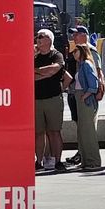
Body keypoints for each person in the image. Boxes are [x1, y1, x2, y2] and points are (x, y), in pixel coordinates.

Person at [34, 29, 68, 171]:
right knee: (38, 133)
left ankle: (58, 161)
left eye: (41, 36)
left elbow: (55, 69)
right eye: (37, 36)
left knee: (54, 131)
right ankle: (39, 161)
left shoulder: (56, 55)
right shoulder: (33, 57)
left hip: (53, 98)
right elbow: (29, 75)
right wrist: (45, 73)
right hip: (36, 99)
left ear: (49, 39)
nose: (38, 39)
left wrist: (37, 71)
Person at [73, 43, 105, 170]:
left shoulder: (86, 64)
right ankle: (86, 161)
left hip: (85, 100)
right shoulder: (81, 65)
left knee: (88, 132)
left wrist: (85, 96)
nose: (73, 53)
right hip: (80, 97)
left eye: (76, 51)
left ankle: (93, 161)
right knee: (82, 131)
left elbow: (93, 84)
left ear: (82, 51)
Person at [63, 26, 92, 167]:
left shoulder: (89, 51)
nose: (74, 37)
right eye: (73, 35)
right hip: (73, 92)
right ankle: (81, 153)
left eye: (77, 34)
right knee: (78, 124)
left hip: (83, 94)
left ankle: (86, 155)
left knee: (85, 126)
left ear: (85, 35)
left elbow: (96, 73)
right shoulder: (74, 51)